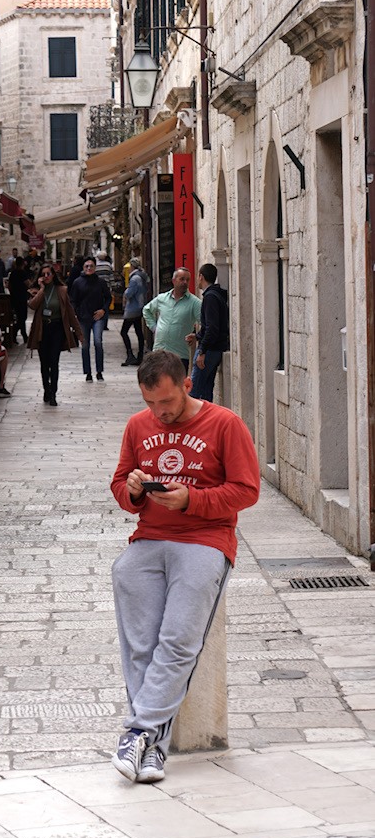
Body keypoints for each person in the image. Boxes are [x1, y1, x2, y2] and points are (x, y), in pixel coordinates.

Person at [109, 349, 260, 783]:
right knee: (140, 644)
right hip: (149, 540)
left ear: (187, 385)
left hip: (205, 540)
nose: (159, 412)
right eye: (150, 403)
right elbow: (119, 487)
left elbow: (247, 490)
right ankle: (152, 749)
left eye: (167, 402)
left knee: (177, 643)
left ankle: (137, 732)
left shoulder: (225, 424)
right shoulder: (138, 426)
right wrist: (134, 489)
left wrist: (191, 499)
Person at [27, 263, 82, 406]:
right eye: (43, 274)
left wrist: (79, 333)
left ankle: (53, 393)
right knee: (44, 363)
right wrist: (41, 290)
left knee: (54, 361)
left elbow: (70, 312)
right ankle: (46, 388)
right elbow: (32, 305)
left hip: (57, 328)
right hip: (42, 329)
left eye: (48, 274)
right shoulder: (36, 291)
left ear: (53, 275)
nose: (46, 277)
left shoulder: (61, 290)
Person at [143, 268, 201, 375]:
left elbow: (205, 323)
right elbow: (146, 310)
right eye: (182, 279)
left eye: (187, 280)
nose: (185, 282)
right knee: (157, 382)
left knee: (177, 384)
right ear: (174, 281)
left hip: (180, 355)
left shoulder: (195, 303)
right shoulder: (162, 298)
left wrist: (197, 336)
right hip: (159, 352)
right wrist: (154, 327)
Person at [186, 263, 230, 402]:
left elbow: (212, 328)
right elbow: (210, 327)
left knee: (193, 393)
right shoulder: (215, 295)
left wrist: (202, 351)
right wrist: (197, 336)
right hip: (215, 348)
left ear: (201, 277)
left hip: (210, 350)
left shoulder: (210, 297)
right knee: (205, 392)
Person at [70, 256, 111, 382]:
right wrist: (76, 314)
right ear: (83, 267)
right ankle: (88, 372)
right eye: (86, 266)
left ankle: (99, 371)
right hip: (83, 318)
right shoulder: (77, 282)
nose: (89, 268)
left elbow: (108, 297)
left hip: (98, 317)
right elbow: (73, 300)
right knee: (85, 345)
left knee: (98, 342)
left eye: (91, 266)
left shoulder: (101, 282)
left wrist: (103, 310)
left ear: (95, 267)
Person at [120, 259, 147, 366]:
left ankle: (130, 355)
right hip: (139, 306)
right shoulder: (142, 276)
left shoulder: (134, 278)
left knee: (124, 331)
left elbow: (129, 293)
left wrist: (125, 292)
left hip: (132, 308)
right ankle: (140, 356)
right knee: (139, 332)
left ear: (132, 266)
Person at [8, 256, 30, 344]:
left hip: (14, 298)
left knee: (19, 317)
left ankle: (19, 334)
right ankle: (20, 334)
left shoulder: (13, 273)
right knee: (22, 317)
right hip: (22, 298)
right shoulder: (22, 273)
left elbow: (9, 286)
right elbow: (28, 283)